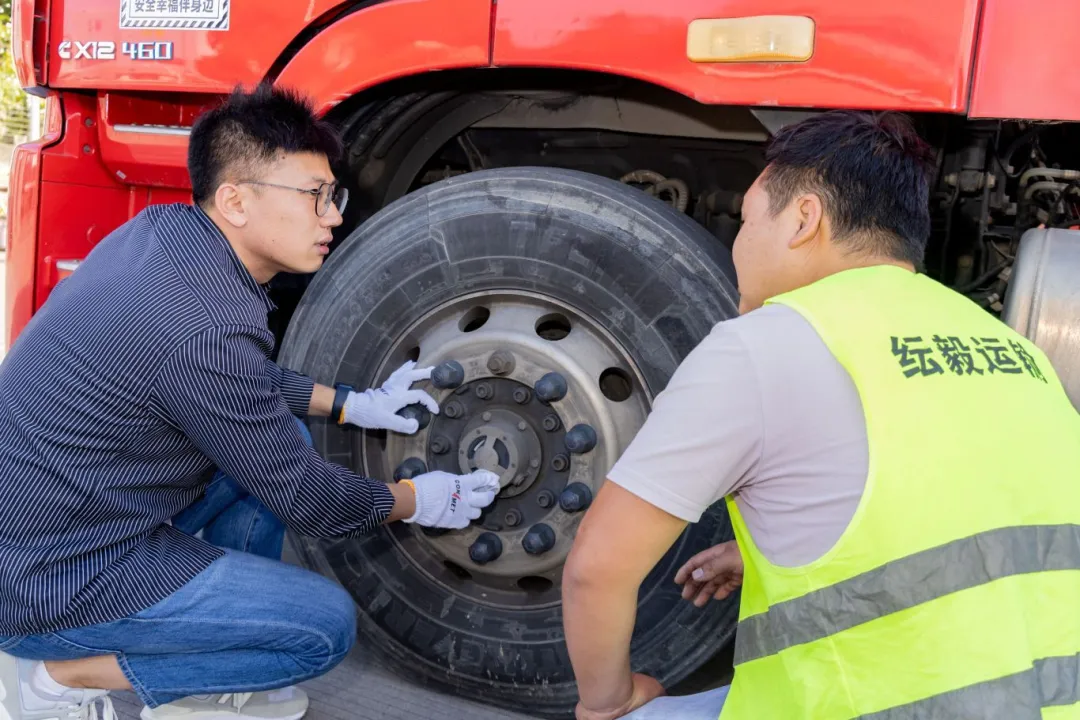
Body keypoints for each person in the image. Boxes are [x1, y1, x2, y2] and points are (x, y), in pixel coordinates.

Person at [0, 83, 500, 720]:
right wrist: (422, 499)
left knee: (270, 446)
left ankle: (214, 637)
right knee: (320, 628)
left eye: (333, 195)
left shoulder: (164, 236)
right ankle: (63, 677)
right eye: (314, 196)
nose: (334, 216)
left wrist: (352, 403)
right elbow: (311, 501)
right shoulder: (205, 327)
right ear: (234, 199)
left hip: (55, 521)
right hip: (51, 582)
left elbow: (231, 390)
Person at [561, 110, 1080, 719]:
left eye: (749, 219)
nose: (739, 242)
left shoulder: (762, 344)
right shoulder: (1012, 348)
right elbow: (981, 518)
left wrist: (610, 700)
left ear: (805, 219)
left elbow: (596, 571)